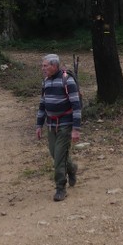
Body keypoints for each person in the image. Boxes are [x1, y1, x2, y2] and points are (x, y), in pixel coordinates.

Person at [36, 53, 82, 202]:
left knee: (58, 158)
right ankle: (72, 168)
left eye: (45, 65)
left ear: (54, 66)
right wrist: (39, 125)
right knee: (56, 154)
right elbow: (42, 104)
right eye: (42, 65)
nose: (42, 68)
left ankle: (60, 188)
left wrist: (76, 129)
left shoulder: (67, 81)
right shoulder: (46, 81)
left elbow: (76, 106)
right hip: (51, 125)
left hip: (65, 125)